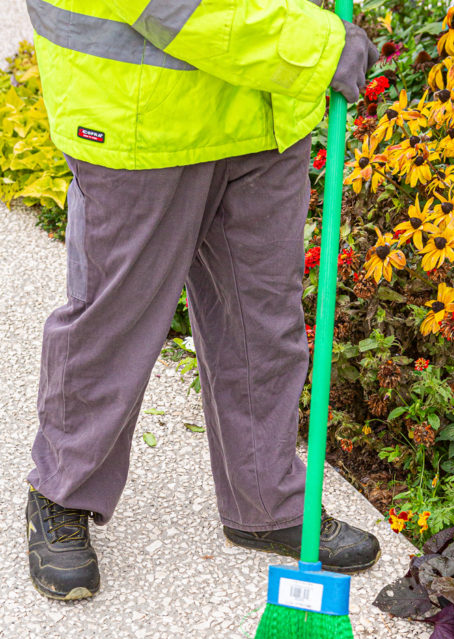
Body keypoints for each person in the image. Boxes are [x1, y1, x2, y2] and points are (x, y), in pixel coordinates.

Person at [24, 0, 380, 601]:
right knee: (115, 321)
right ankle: (62, 493)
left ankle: (264, 502)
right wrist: (316, 46)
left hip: (262, 114)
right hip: (141, 118)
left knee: (261, 321)